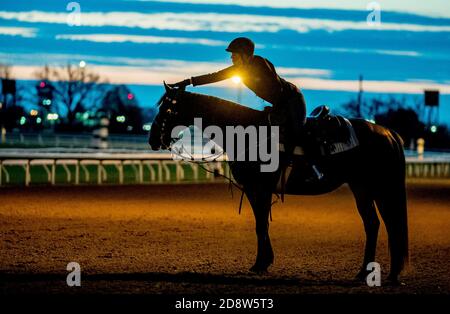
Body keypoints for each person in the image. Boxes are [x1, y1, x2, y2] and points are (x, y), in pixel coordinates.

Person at [170, 37, 322, 181]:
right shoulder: (240, 69)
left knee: (297, 131)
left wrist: (278, 110)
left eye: (234, 55)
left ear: (245, 55)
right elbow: (215, 76)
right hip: (279, 104)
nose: (232, 58)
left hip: (293, 100)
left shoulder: (260, 63)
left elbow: (277, 90)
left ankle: (314, 169)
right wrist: (187, 81)